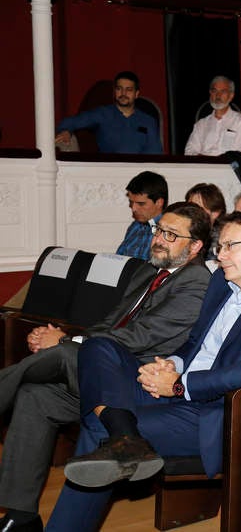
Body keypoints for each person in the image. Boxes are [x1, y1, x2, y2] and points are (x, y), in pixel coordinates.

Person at [46, 211, 241, 531]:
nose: (219, 255)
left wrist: (180, 384)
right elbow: (195, 341)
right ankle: (126, 437)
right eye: (219, 246)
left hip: (218, 413)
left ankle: (121, 438)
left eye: (229, 246)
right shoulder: (221, 282)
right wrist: (174, 363)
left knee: (99, 424)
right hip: (179, 388)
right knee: (98, 346)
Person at [0, 202, 212, 532]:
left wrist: (66, 344)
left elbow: (144, 335)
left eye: (171, 235)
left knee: (68, 355)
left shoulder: (198, 280)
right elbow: (109, 324)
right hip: (105, 373)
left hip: (140, 383)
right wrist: (68, 336)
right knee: (35, 396)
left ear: (196, 246)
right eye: (159, 231)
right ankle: (21, 515)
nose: (159, 239)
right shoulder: (147, 272)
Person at [55, 71, 162, 155]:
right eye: (119, 89)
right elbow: (71, 121)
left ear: (136, 94)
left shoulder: (148, 121)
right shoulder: (103, 114)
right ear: (115, 92)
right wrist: (66, 130)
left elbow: (155, 153)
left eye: (128, 90)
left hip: (139, 175)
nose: (123, 94)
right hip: (108, 172)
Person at [184, 76, 241, 156]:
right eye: (214, 91)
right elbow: (189, 151)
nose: (218, 95)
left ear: (231, 96)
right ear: (210, 94)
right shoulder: (201, 124)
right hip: (203, 166)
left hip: (226, 167)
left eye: (223, 91)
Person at [116, 171, 168, 261]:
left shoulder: (168, 231)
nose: (133, 208)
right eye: (131, 202)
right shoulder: (135, 226)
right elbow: (119, 258)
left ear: (159, 202)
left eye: (141, 204)